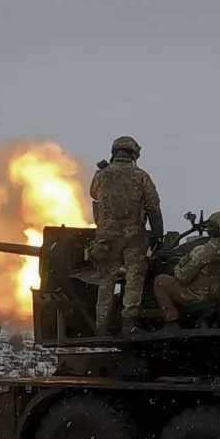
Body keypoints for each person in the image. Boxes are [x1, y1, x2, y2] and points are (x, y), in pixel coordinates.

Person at [88, 136, 164, 335]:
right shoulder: (141, 176)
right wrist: (158, 236)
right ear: (134, 154)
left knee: (105, 281)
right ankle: (128, 325)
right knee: (134, 279)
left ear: (115, 152)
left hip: (105, 237)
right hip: (134, 237)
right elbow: (153, 207)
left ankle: (101, 326)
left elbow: (94, 195)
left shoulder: (101, 174)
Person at [153, 211, 220, 326]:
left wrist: (177, 266)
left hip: (198, 297)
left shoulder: (204, 251)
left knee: (160, 281)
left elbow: (183, 277)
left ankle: (171, 322)